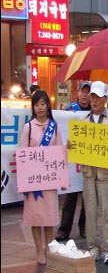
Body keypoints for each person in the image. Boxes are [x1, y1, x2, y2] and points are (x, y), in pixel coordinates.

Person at [69, 81, 108, 265]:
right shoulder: (83, 122)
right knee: (90, 212)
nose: (93, 100)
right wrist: (72, 145)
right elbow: (75, 147)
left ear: (104, 99)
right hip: (88, 174)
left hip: (107, 173)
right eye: (91, 96)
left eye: (97, 97)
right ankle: (93, 247)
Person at [20, 90, 65, 264]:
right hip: (33, 181)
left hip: (49, 180)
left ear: (48, 105)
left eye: (42, 104)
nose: (40, 108)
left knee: (48, 216)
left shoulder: (55, 127)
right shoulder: (28, 127)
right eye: (36, 104)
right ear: (33, 107)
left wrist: (62, 179)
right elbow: (23, 153)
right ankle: (38, 248)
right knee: (35, 217)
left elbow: (59, 153)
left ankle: (48, 246)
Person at [55, 81, 91, 242]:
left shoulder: (95, 112)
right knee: (70, 197)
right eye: (83, 91)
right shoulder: (69, 110)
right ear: (77, 92)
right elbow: (61, 132)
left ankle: (84, 227)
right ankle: (64, 229)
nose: (85, 95)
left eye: (88, 92)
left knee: (88, 197)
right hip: (72, 160)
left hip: (89, 159)